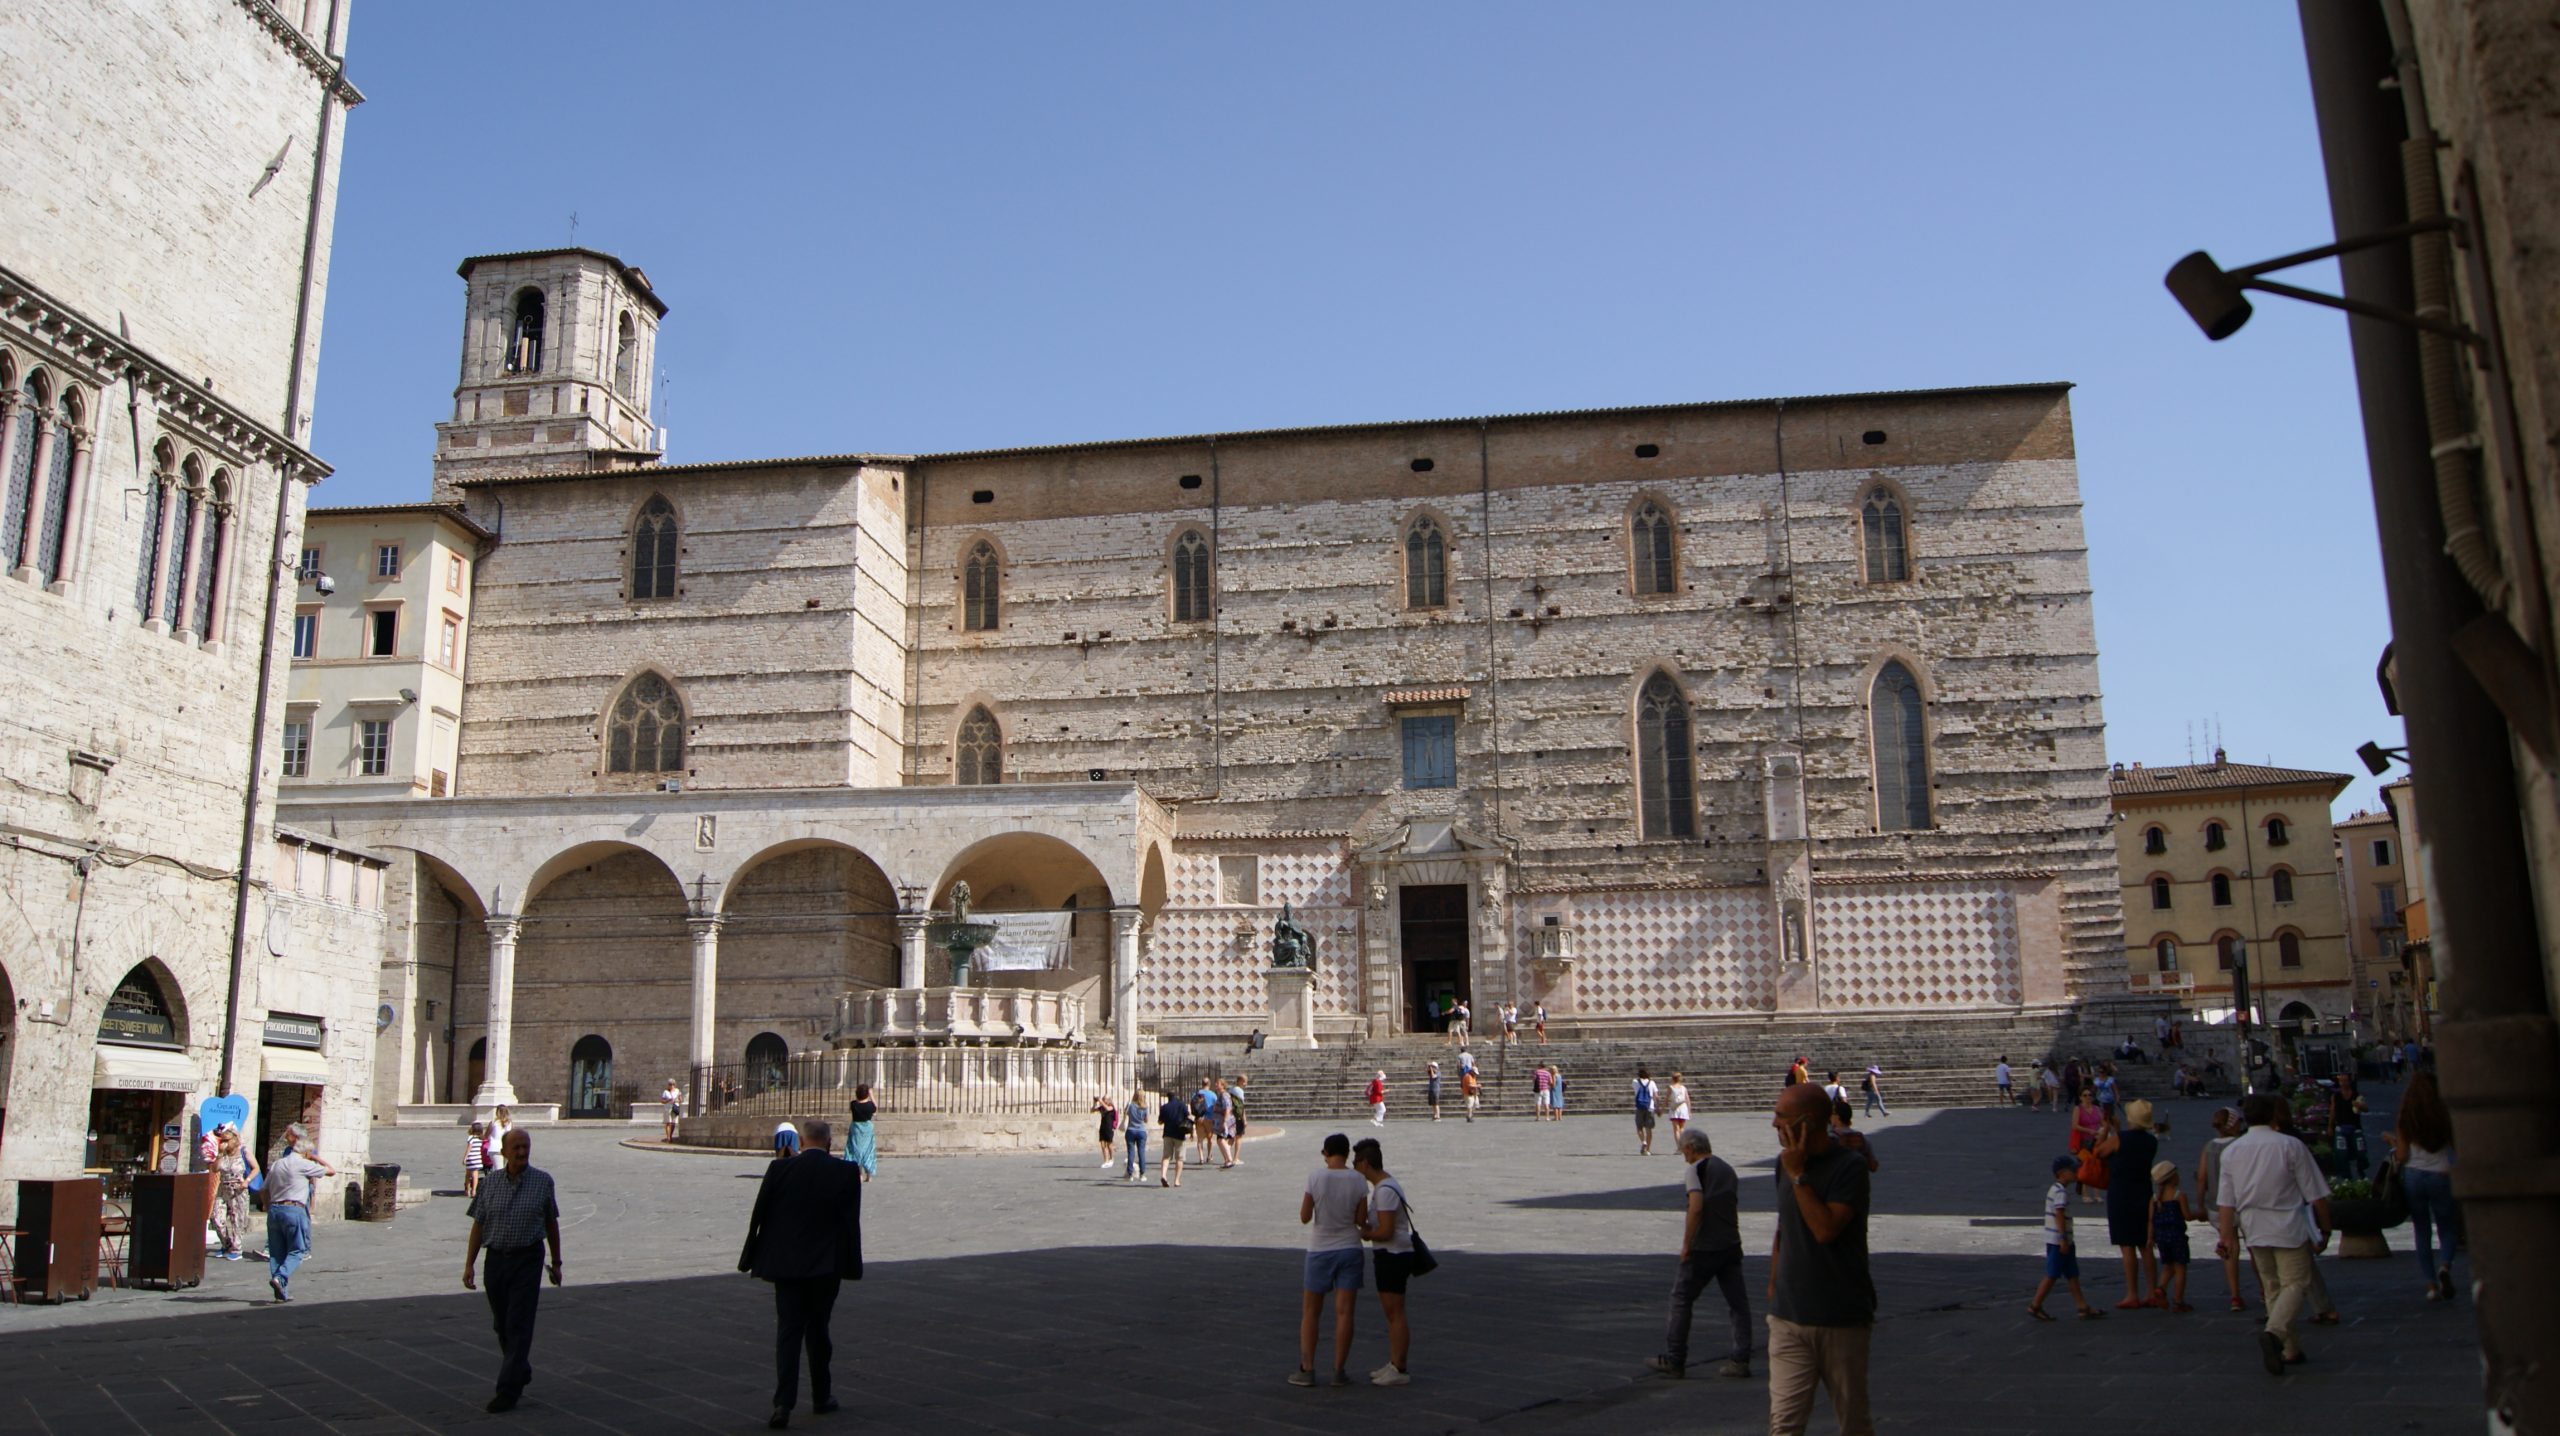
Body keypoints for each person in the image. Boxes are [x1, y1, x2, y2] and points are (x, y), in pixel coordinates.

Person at [1766, 1082, 1876, 1436]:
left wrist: (1799, 1176)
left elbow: (1825, 1229)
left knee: (1853, 1423)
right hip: (1788, 1318)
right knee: (1784, 1425)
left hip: (1840, 1317)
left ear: (1807, 1122)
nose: (1773, 1124)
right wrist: (1775, 1284)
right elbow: (1784, 1227)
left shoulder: (1850, 1168)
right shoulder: (1783, 1164)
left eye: (1781, 1117)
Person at [739, 1120, 861, 1430]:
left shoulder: (780, 1169)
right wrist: (850, 1265)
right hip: (825, 1266)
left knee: (788, 1333)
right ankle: (822, 1396)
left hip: (787, 1265)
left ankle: (783, 1404)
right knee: (819, 1331)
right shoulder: (846, 1172)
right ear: (830, 1143)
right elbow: (850, 1223)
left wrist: (753, 1255)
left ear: (801, 1142)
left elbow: (760, 1213)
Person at [2216, 1094, 2332, 1376]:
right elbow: (2315, 1193)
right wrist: (2326, 1227)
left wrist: (2226, 1236)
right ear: (2273, 1116)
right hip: (2287, 1222)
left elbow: (2226, 1201)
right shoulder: (2290, 1145)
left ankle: (2290, 1348)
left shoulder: (2232, 1151)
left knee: (2272, 1286)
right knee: (2296, 1283)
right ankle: (2275, 1333)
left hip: (2253, 1225)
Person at [462, 1128, 563, 1414]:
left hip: (527, 1260)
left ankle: (508, 1390)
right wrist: (469, 1263)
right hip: (495, 1260)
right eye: (516, 1147)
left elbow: (551, 1224)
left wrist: (557, 1262)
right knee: (501, 1324)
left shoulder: (543, 1182)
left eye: (525, 1147)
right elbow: (478, 1224)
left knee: (519, 1324)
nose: (522, 1152)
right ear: (504, 1152)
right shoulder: (489, 1183)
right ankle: (520, 1367)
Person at [1650, 1127, 1752, 1378]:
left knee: (1681, 1299)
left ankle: (1675, 1359)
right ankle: (1741, 1359)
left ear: (1691, 1149)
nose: (1684, 1155)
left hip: (1704, 1247)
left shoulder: (1696, 1170)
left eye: (1684, 1150)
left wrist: (1687, 1244)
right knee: (1738, 1304)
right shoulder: (1728, 1169)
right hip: (1730, 1243)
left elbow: (1696, 1207)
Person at [1293, 1133, 1369, 1387]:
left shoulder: (1316, 1177)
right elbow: (1360, 1219)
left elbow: (1304, 1216)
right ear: (1347, 1154)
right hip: (1350, 1247)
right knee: (1345, 1312)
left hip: (1320, 1248)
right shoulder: (1358, 1180)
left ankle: (1307, 1369)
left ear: (1326, 1153)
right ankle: (1339, 1370)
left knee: (1311, 1312)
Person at [2386, 1070, 2459, 1302]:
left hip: (2414, 1176)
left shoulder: (2406, 1116)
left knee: (2422, 1229)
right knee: (2447, 1227)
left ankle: (2431, 1286)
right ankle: (2445, 1266)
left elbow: (2402, 1154)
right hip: (2440, 1173)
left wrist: (2393, 1143)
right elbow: (2457, 1147)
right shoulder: (2444, 1113)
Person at [1352, 1136, 1418, 1386]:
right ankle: (1394, 1362)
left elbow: (1386, 1230)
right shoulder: (1383, 1187)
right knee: (1391, 1312)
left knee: (1395, 1312)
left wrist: (1365, 1234)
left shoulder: (1385, 1191)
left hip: (1393, 1254)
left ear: (1366, 1163)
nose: (1355, 1167)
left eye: (1356, 1161)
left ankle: (1399, 1367)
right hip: (1390, 1253)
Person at [2099, 1099, 2163, 1308]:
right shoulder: (2151, 1141)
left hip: (2121, 1193)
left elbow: (2099, 1152)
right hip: (2143, 1191)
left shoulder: (2120, 1138)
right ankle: (2152, 1291)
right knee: (2145, 1245)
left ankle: (2132, 1293)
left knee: (2127, 1246)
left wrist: (2107, 1129)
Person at [2029, 1154, 2104, 1321]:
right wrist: (2063, 1238)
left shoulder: (2054, 1189)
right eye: (2073, 1170)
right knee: (2052, 1274)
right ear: (2062, 1173)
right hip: (2059, 1240)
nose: (2076, 1172)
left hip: (2059, 1239)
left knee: (2072, 1273)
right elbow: (2059, 1215)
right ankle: (2035, 1305)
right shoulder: (2060, 1193)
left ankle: (2082, 1306)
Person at [263, 1133, 335, 1303]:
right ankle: (280, 1278)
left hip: (274, 1209)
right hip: (293, 1209)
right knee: (297, 1250)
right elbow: (331, 1171)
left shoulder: (277, 1164)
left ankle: (281, 1292)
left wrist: (268, 1207)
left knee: (276, 1252)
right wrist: (316, 1157)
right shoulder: (304, 1164)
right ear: (307, 1152)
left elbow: (263, 1189)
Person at [2195, 1107, 2249, 1311]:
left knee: (2229, 1248)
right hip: (2241, 1203)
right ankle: (2264, 1290)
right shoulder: (2240, 1145)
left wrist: (2200, 1205)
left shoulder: (2209, 1147)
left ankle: (2235, 1295)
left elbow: (2201, 1178)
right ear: (2234, 1123)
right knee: (2253, 1246)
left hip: (2216, 1205)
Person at [2150, 1160, 2194, 1312]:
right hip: (2177, 1237)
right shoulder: (2179, 1196)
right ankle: (2178, 1301)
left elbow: (2151, 1220)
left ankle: (2160, 1288)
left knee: (2168, 1266)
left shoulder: (2155, 1199)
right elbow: (2187, 1216)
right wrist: (2201, 1215)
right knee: (2180, 1268)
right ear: (2173, 1178)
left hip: (2162, 1238)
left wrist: (2151, 1238)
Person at [211, 1125, 259, 1261]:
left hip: (238, 1189)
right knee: (216, 1218)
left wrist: (247, 1181)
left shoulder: (244, 1151)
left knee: (237, 1220)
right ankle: (227, 1244)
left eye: (227, 1140)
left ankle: (237, 1249)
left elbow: (256, 1168)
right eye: (222, 1140)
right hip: (223, 1188)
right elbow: (215, 1169)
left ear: (235, 1139)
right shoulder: (223, 1154)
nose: (224, 1143)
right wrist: (219, 1154)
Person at [2329, 1072, 2369, 1179]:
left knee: (2361, 1152)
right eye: (2341, 1081)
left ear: (2349, 1082)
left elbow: (2366, 1108)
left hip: (2355, 1127)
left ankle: (2361, 1169)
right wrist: (2330, 1126)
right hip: (2340, 1127)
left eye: (2345, 1081)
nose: (2343, 1083)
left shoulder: (2356, 1095)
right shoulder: (2335, 1096)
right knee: (2341, 1153)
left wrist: (2360, 1106)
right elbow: (2332, 1111)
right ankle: (2346, 1177)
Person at [1158, 1088, 1193, 1187]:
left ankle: (1163, 1175)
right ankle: (1177, 1181)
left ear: (1167, 1096)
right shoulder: (1182, 1105)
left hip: (1167, 1134)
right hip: (1179, 1134)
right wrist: (1191, 1132)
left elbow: (1160, 1121)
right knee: (1179, 1158)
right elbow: (1188, 1117)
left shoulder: (1164, 1107)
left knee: (1166, 1156)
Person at [844, 1085, 878, 1182]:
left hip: (856, 1128)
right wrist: (871, 1095)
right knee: (868, 1150)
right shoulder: (870, 1105)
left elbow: (855, 1104)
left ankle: (859, 1174)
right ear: (867, 1094)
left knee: (855, 1150)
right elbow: (875, 1108)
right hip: (867, 1128)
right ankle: (869, 1175)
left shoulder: (853, 1104)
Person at [1121, 1088, 1151, 1183]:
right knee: (1141, 1153)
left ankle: (1130, 1174)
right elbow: (1146, 1120)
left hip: (1131, 1130)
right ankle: (1142, 1174)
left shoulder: (1130, 1105)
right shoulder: (1145, 1107)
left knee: (1131, 1153)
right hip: (1141, 1131)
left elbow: (1125, 1114)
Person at [1633, 1066, 1660, 1155]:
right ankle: (1647, 1149)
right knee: (1649, 1129)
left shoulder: (1635, 1082)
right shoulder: (1652, 1083)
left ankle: (1643, 1141)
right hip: (1650, 1107)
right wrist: (1657, 1107)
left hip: (1639, 1107)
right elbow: (1656, 1096)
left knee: (1639, 1127)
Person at [1093, 1094, 1120, 1168]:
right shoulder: (1102, 1107)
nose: (1103, 1100)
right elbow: (1093, 1110)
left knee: (1109, 1144)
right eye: (1103, 1098)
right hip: (1103, 1127)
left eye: (1104, 1099)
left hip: (1109, 1127)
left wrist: (1100, 1101)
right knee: (1102, 1144)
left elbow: (1108, 1109)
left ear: (1108, 1100)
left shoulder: (1111, 1107)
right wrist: (1095, 1102)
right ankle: (1106, 1160)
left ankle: (1111, 1159)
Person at [1666, 1072, 1692, 1144]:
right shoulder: (1683, 1088)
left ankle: (1679, 1147)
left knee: (1676, 1129)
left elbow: (1666, 1099)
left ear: (1672, 1079)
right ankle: (1683, 1144)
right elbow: (1687, 1100)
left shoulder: (1670, 1087)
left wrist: (1662, 1109)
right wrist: (1689, 1111)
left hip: (1674, 1109)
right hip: (1683, 1108)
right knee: (1682, 1128)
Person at [464, 1121, 488, 1198]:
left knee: (468, 1175)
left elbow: (469, 1149)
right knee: (475, 1175)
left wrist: (465, 1158)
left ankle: (467, 1190)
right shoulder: (481, 1139)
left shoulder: (471, 1138)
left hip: (471, 1158)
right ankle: (474, 1191)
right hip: (478, 1159)